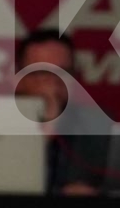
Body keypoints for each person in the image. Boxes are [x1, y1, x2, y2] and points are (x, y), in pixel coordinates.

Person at [14, 29, 109, 196]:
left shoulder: (98, 124)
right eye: (41, 73)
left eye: (63, 72)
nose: (53, 83)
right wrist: (45, 131)